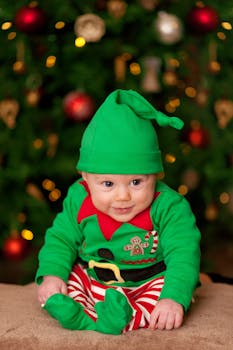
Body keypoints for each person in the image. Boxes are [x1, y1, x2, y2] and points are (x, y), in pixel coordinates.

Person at [36, 89, 201, 335]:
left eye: (136, 182)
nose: (122, 196)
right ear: (86, 178)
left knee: (160, 301)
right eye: (108, 184)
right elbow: (61, 239)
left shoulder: (169, 207)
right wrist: (52, 275)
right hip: (96, 278)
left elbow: (183, 254)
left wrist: (173, 298)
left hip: (147, 282)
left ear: (155, 175)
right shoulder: (79, 199)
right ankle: (80, 315)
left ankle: (119, 318)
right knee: (67, 281)